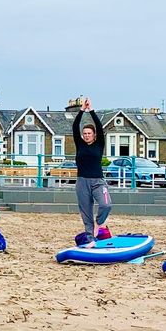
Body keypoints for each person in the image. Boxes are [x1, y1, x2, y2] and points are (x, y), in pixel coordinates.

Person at [73, 97, 111, 247]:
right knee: (86, 213)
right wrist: (82, 110)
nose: (87, 135)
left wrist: (91, 110)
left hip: (98, 181)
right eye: (85, 133)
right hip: (82, 182)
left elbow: (100, 127)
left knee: (106, 205)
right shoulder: (80, 144)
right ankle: (90, 239)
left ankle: (99, 223)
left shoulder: (99, 144)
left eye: (89, 133)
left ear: (94, 135)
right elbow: (75, 126)